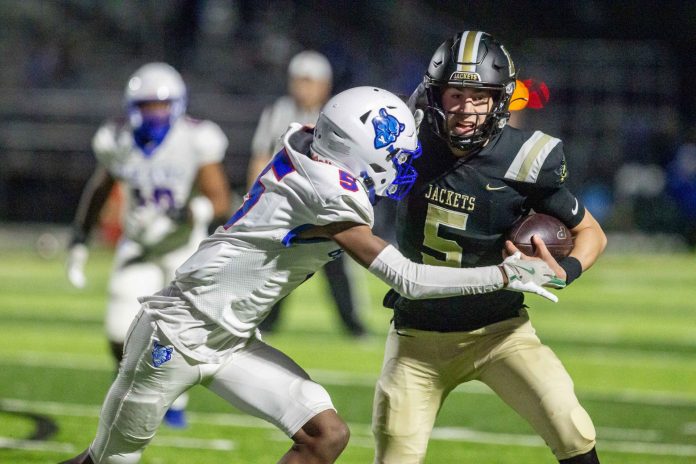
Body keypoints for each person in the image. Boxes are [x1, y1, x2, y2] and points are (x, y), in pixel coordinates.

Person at [60, 86, 564, 464]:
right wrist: (504, 275)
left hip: (231, 339)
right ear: (359, 153)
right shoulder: (326, 192)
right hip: (175, 333)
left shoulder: (314, 149)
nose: (403, 166)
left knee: (326, 435)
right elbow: (409, 279)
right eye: (395, 156)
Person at [372, 31, 608, 464]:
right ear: (434, 95)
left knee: (571, 427)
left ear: (499, 101)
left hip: (500, 333)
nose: (465, 109)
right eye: (455, 94)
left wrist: (565, 270)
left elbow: (592, 231)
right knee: (394, 457)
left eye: (479, 97)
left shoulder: (523, 159)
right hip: (415, 340)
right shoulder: (405, 142)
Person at [65, 62, 231, 428]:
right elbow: (101, 188)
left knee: (177, 332)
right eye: (145, 105)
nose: (153, 113)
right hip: (138, 244)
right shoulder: (118, 140)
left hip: (183, 248)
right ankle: (130, 379)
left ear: (177, 105)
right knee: (116, 331)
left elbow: (220, 199)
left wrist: (191, 211)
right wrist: (80, 237)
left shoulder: (195, 138)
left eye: (160, 105)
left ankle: (173, 399)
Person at [247, 49, 367, 337]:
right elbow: (260, 156)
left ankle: (352, 323)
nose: (304, 87)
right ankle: (267, 321)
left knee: (336, 264)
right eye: (299, 80)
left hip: (326, 203)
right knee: (276, 263)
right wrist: (254, 196)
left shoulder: (337, 115)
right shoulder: (279, 111)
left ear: (324, 85)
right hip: (286, 202)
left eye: (309, 81)